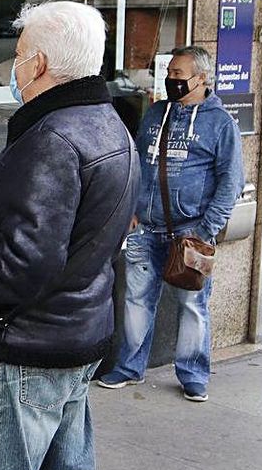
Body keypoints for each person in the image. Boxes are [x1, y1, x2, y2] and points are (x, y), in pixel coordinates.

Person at [0, 1, 139, 470]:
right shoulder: (108, 124)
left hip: (31, 345)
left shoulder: (53, 138)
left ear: (40, 64)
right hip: (78, 332)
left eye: (21, 52)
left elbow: (26, 261)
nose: (14, 65)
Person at [96, 46, 244, 402]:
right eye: (170, 73)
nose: (172, 80)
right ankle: (129, 367)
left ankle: (193, 373)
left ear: (202, 78)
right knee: (136, 301)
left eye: (180, 74)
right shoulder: (156, 113)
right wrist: (131, 208)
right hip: (145, 229)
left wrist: (206, 230)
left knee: (193, 305)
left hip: (189, 233)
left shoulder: (219, 124)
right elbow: (135, 161)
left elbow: (231, 181)